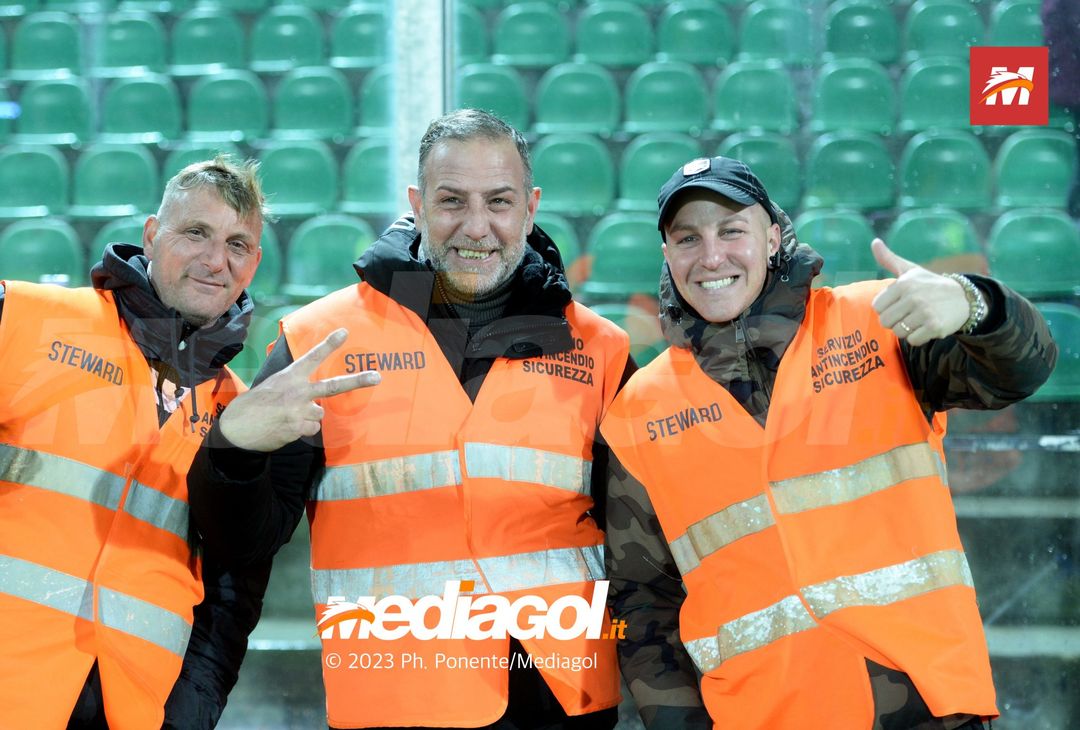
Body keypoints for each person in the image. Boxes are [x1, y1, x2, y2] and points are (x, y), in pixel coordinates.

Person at [187, 109, 632, 729]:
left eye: (499, 201)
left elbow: (648, 547)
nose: (476, 226)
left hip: (563, 700)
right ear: (417, 205)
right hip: (394, 700)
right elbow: (246, 543)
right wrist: (233, 449)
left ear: (530, 208)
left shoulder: (602, 350)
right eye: (451, 200)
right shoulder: (318, 341)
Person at [600, 156, 1058, 729]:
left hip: (931, 706)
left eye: (732, 230)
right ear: (667, 254)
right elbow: (642, 605)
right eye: (688, 238)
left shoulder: (877, 322)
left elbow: (1020, 371)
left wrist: (974, 305)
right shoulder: (638, 411)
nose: (711, 256)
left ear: (772, 238)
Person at [0, 156, 273, 729]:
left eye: (237, 245)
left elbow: (231, 596)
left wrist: (190, 713)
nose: (215, 260)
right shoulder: (24, 319)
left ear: (254, 264)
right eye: (195, 232)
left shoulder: (240, 413)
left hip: (134, 705)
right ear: (152, 235)